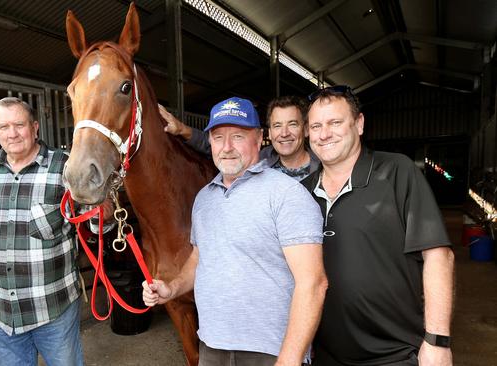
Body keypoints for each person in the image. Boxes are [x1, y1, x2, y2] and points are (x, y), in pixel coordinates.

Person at [143, 97, 328, 366]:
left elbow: (314, 283)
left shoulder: (287, 194)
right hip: (212, 344)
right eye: (218, 138)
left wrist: (290, 357)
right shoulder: (204, 198)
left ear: (259, 138)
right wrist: (171, 289)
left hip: (270, 350)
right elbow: (199, 258)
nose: (227, 147)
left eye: (238, 136)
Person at [302, 86, 455, 366]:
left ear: (359, 124)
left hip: (395, 353)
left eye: (335, 122)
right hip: (326, 354)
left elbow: (438, 257)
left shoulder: (398, 172)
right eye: (316, 126)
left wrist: (437, 341)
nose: (324, 134)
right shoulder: (301, 193)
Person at [0, 97, 83, 366]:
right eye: (3, 127)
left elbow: (94, 225)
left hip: (53, 309)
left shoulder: (66, 167)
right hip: (1, 314)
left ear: (35, 128)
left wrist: (103, 207)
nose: (12, 133)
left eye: (19, 125)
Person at [159, 95, 319, 181]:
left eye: (292, 124)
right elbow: (217, 147)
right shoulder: (260, 160)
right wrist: (181, 129)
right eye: (277, 125)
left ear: (305, 130)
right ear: (269, 133)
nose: (284, 133)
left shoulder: (324, 167)